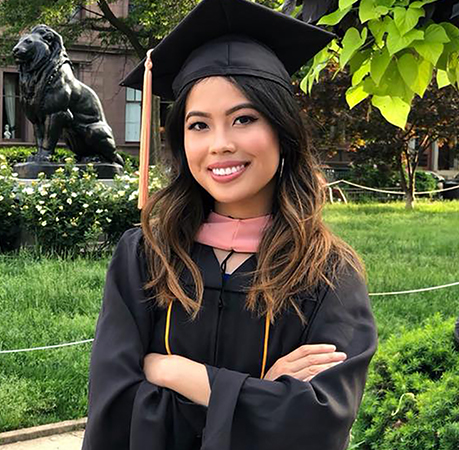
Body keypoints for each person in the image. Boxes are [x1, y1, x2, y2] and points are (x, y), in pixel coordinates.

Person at [81, 0, 378, 449]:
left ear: (282, 130)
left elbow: (314, 424)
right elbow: (116, 408)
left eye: (244, 119)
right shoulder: (145, 256)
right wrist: (260, 392)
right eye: (199, 125)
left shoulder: (327, 273)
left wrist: (176, 372)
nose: (220, 144)